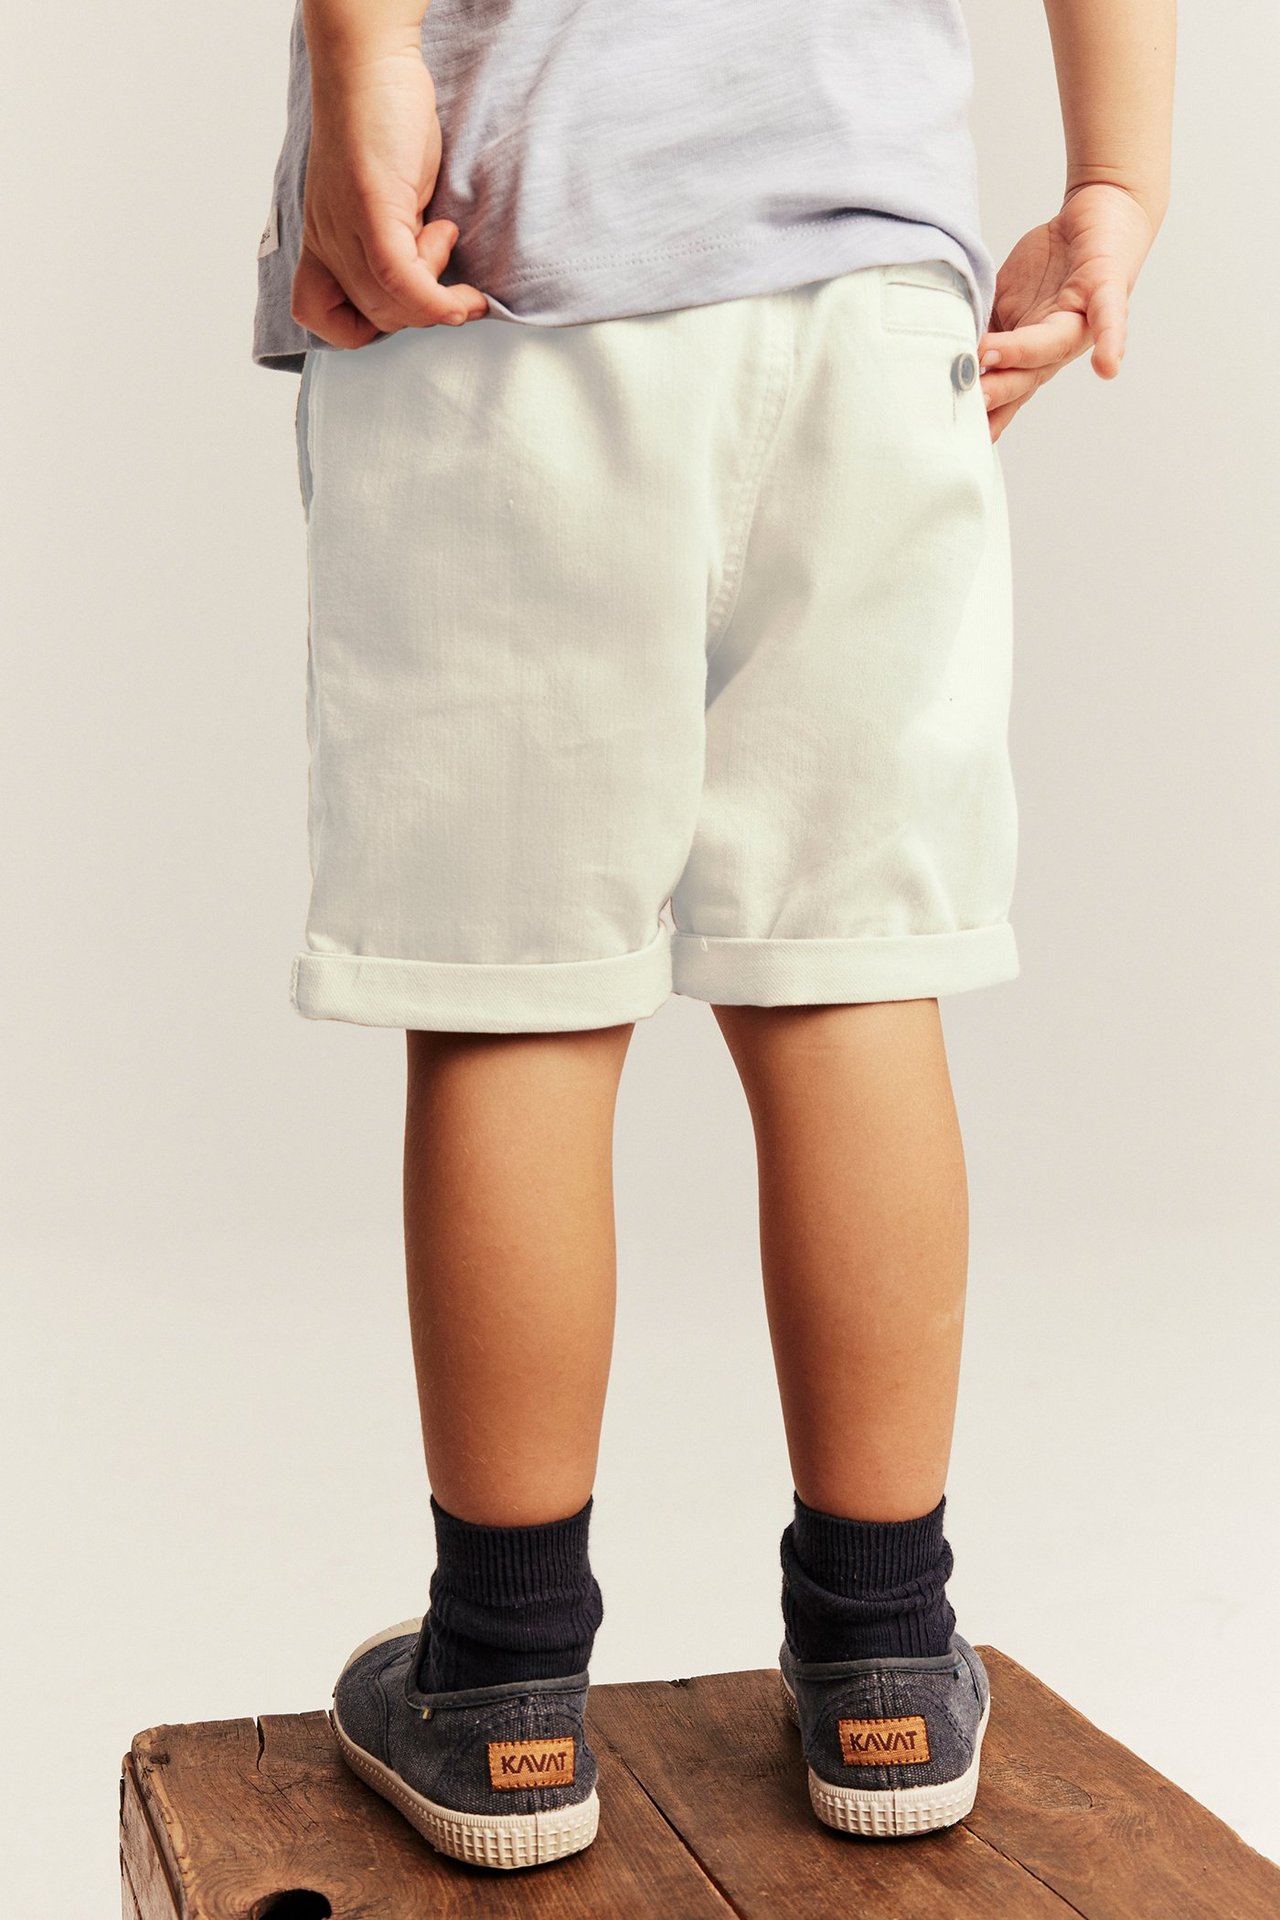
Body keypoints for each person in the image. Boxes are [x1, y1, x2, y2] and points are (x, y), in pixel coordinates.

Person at [252, 0, 1173, 1871]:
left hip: (510, 261)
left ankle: (504, 1688)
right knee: (847, 982)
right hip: (868, 302)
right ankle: (887, 1653)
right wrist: (1113, 180)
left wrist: (361, 50)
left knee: (517, 1001)